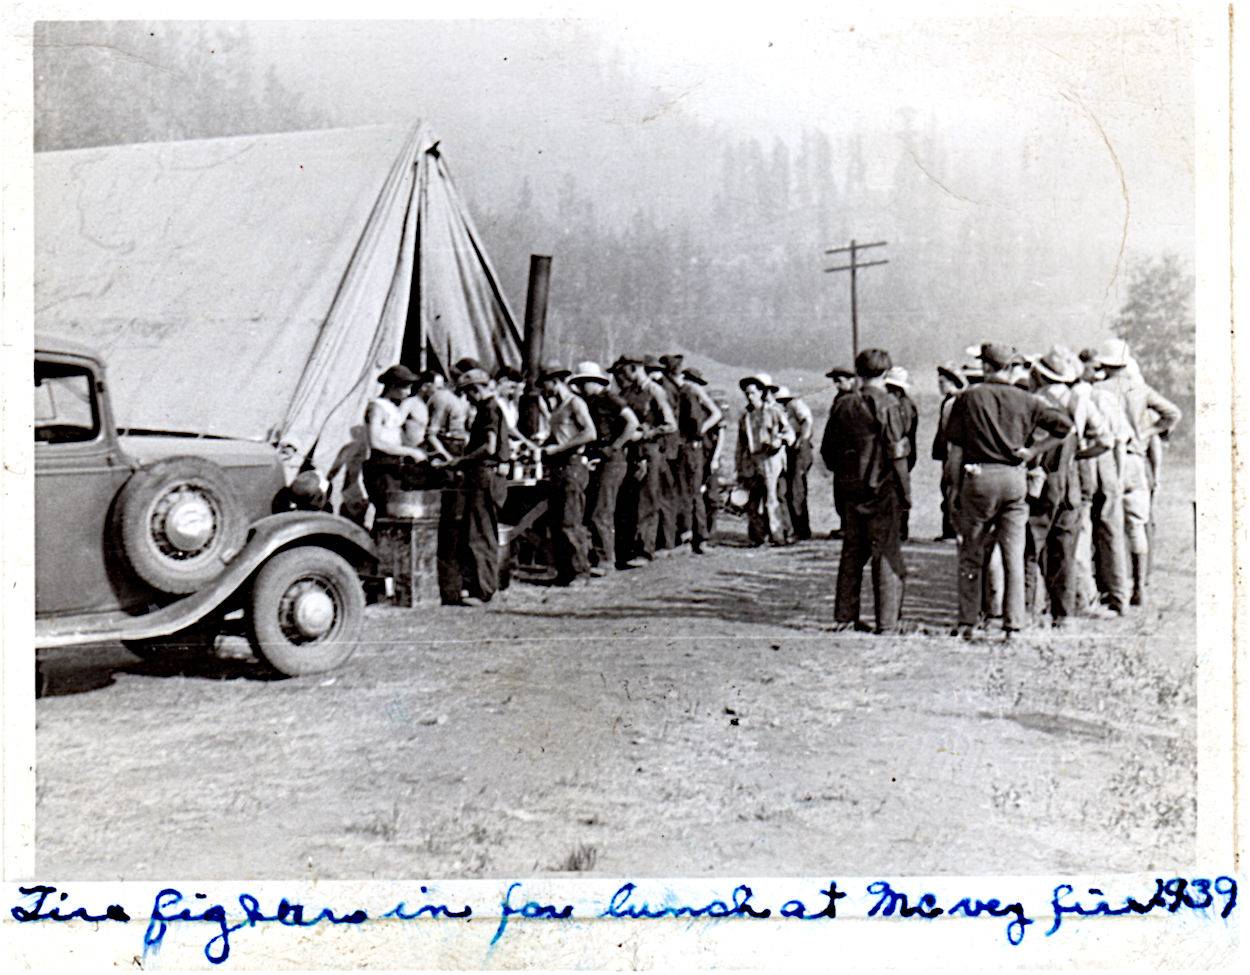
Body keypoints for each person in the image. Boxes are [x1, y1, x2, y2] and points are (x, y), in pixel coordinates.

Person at [945, 343, 1073, 639]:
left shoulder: (967, 398)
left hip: (979, 477)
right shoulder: (1028, 399)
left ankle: (968, 622)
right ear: (1010, 368)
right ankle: (1014, 624)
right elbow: (1064, 427)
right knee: (1013, 556)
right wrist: (1033, 451)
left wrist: (954, 488)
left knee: (972, 553)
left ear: (986, 367)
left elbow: (956, 452)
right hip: (1015, 479)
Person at [823, 349, 911, 633]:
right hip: (882, 491)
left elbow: (828, 451)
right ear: (885, 373)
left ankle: (845, 616)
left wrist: (847, 473)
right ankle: (887, 622)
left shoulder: (843, 404)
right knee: (885, 554)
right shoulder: (888, 404)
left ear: (858, 373)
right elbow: (897, 452)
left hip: (850, 491)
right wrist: (905, 493)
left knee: (851, 552)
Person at [1093, 338, 1182, 606]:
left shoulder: (1097, 389)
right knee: (1136, 525)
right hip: (1136, 460)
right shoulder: (1140, 389)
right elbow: (1173, 414)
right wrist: (1147, 432)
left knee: (1107, 526)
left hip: (1108, 459)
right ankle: (1140, 586)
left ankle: (1111, 587)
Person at [1021, 348, 1090, 628]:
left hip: (1041, 480)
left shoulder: (1035, 401)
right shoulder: (1079, 399)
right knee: (1064, 550)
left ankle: (1025, 610)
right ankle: (1063, 614)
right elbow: (1100, 439)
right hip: (1069, 480)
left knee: (1030, 547)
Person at [442, 368, 510, 606]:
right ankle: (485, 586)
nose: (467, 399)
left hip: (484, 476)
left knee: (480, 533)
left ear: (475, 389)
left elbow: (489, 447)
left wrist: (462, 460)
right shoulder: (492, 407)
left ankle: (484, 590)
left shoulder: (488, 408)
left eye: (467, 393)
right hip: (489, 476)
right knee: (484, 531)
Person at [571, 361, 639, 575]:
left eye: (583, 383)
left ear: (593, 382)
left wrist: (615, 447)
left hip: (612, 460)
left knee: (602, 510)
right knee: (595, 508)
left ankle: (605, 561)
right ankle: (598, 556)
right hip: (599, 458)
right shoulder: (592, 401)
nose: (581, 388)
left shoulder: (610, 399)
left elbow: (632, 423)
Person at [612, 355, 676, 567]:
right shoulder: (627, 392)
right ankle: (627, 549)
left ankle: (644, 550)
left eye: (625, 370)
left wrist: (646, 434)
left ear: (634, 368)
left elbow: (670, 425)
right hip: (629, 452)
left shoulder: (655, 391)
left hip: (649, 450)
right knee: (628, 500)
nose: (622, 375)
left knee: (647, 500)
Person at [537, 361, 597, 586]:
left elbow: (590, 433)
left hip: (572, 466)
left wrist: (559, 448)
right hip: (559, 468)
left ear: (554, 381)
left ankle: (580, 572)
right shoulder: (557, 407)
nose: (543, 389)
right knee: (558, 522)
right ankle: (565, 572)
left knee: (570, 521)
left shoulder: (575, 403)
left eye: (545, 384)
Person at [361, 364, 431, 517]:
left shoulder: (392, 407)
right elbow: (375, 442)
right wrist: (410, 451)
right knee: (386, 511)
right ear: (393, 386)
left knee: (395, 510)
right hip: (381, 465)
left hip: (393, 464)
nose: (408, 392)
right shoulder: (376, 407)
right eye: (405, 388)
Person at [669, 363, 723, 553]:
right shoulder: (693, 392)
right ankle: (696, 537)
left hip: (690, 448)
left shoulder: (690, 391)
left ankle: (696, 537)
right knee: (692, 493)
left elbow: (714, 415)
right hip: (693, 448)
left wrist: (699, 431)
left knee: (690, 493)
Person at [736, 373, 791, 546]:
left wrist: (778, 440)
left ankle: (778, 535)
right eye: (747, 393)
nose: (749, 396)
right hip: (752, 460)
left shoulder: (774, 411)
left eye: (752, 393)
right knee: (752, 500)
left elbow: (789, 433)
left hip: (771, 459)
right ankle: (757, 536)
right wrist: (739, 465)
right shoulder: (745, 416)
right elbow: (740, 444)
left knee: (771, 498)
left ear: (761, 392)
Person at [820, 365, 858, 539]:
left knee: (848, 492)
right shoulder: (841, 399)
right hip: (840, 457)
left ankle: (850, 527)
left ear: (851, 380)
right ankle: (845, 525)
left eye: (839, 381)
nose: (836, 384)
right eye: (835, 381)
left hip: (849, 457)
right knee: (841, 492)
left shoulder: (852, 401)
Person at [931, 363, 966, 541]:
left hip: (952, 453)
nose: (939, 385)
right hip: (948, 452)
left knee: (950, 488)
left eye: (942, 382)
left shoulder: (952, 402)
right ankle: (950, 529)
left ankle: (951, 530)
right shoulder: (950, 401)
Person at [775, 386, 814, 541]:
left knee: (796, 490)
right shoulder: (785, 408)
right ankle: (796, 527)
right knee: (791, 489)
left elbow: (807, 421)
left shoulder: (796, 405)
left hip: (799, 449)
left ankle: (801, 529)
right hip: (790, 449)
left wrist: (802, 440)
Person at [884, 366, 918, 540]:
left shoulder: (893, 404)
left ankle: (897, 530)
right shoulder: (908, 404)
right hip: (905, 452)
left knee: (894, 490)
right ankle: (901, 529)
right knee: (901, 489)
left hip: (896, 452)